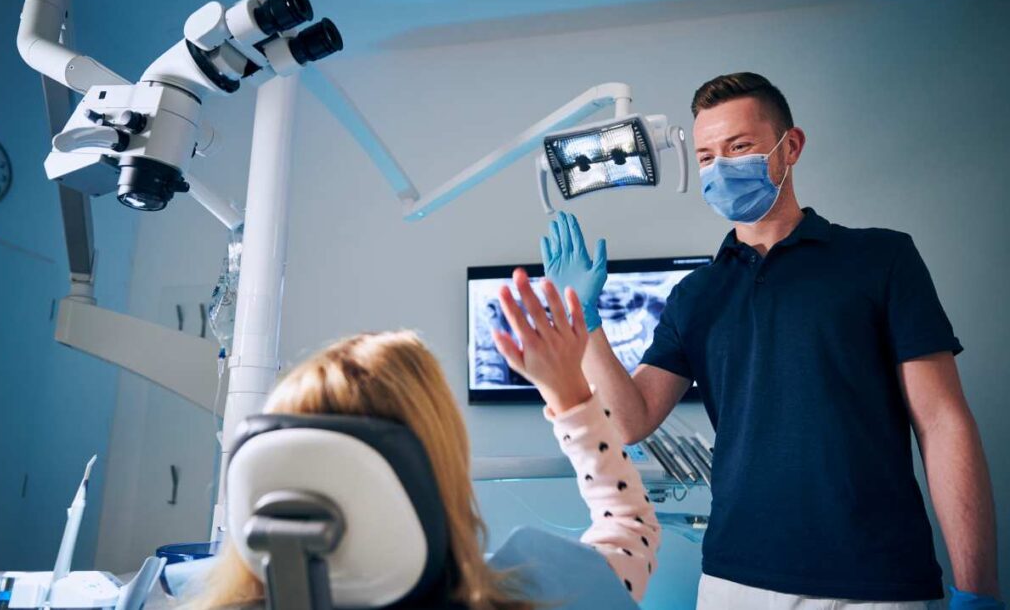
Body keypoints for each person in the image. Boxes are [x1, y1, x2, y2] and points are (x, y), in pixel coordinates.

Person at [542, 72, 1002, 609]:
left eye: (740, 148)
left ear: (791, 147)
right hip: (736, 581)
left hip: (876, 582)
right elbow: (630, 419)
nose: (722, 167)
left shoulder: (882, 259)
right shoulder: (697, 294)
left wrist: (978, 587)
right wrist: (587, 319)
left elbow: (943, 422)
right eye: (709, 156)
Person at [190, 278, 660, 609]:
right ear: (430, 465)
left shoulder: (171, 593)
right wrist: (569, 393)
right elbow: (629, 528)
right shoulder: (538, 596)